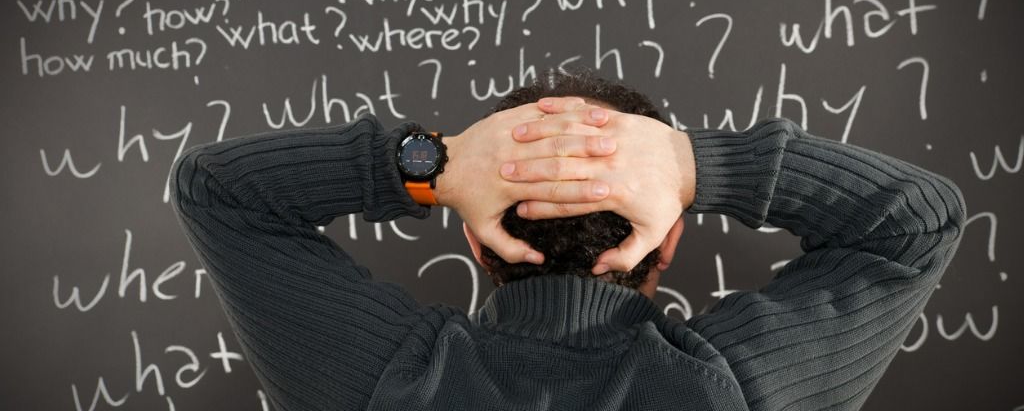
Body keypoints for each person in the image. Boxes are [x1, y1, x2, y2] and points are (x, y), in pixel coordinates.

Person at [169, 71, 965, 410]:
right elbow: (917, 219)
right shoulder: (734, 388)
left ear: (479, 243)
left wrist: (431, 165)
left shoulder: (387, 379)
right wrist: (692, 162)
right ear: (670, 240)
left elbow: (219, 189)